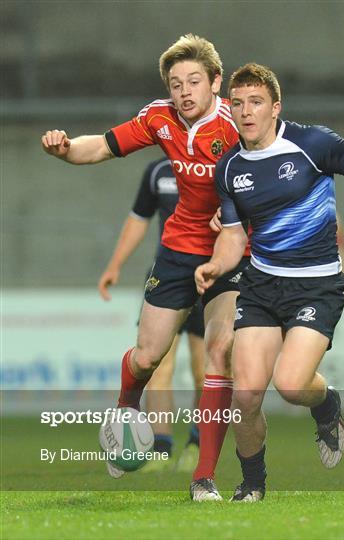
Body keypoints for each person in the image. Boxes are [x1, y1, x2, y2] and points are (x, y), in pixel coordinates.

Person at [195, 63, 344, 502]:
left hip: (316, 285)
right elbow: (234, 234)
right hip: (261, 284)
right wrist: (215, 265)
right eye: (238, 104)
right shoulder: (229, 168)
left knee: (293, 384)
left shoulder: (311, 143)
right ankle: (253, 484)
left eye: (256, 103)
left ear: (275, 107)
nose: (246, 112)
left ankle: (326, 403)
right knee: (244, 395)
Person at [41, 34, 250, 501]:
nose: (184, 91)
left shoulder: (238, 124)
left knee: (220, 354)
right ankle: (125, 409)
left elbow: (274, 177)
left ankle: (204, 477)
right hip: (178, 248)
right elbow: (101, 146)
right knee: (147, 356)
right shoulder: (159, 118)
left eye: (194, 80)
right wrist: (65, 147)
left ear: (215, 81)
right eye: (176, 83)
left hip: (232, 251)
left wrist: (241, 214)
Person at [98, 157, 204, 472]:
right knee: (157, 366)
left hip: (208, 277)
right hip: (166, 274)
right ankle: (161, 447)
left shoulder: (217, 163)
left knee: (205, 370)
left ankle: (198, 444)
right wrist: (115, 264)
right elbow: (138, 217)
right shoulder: (158, 171)